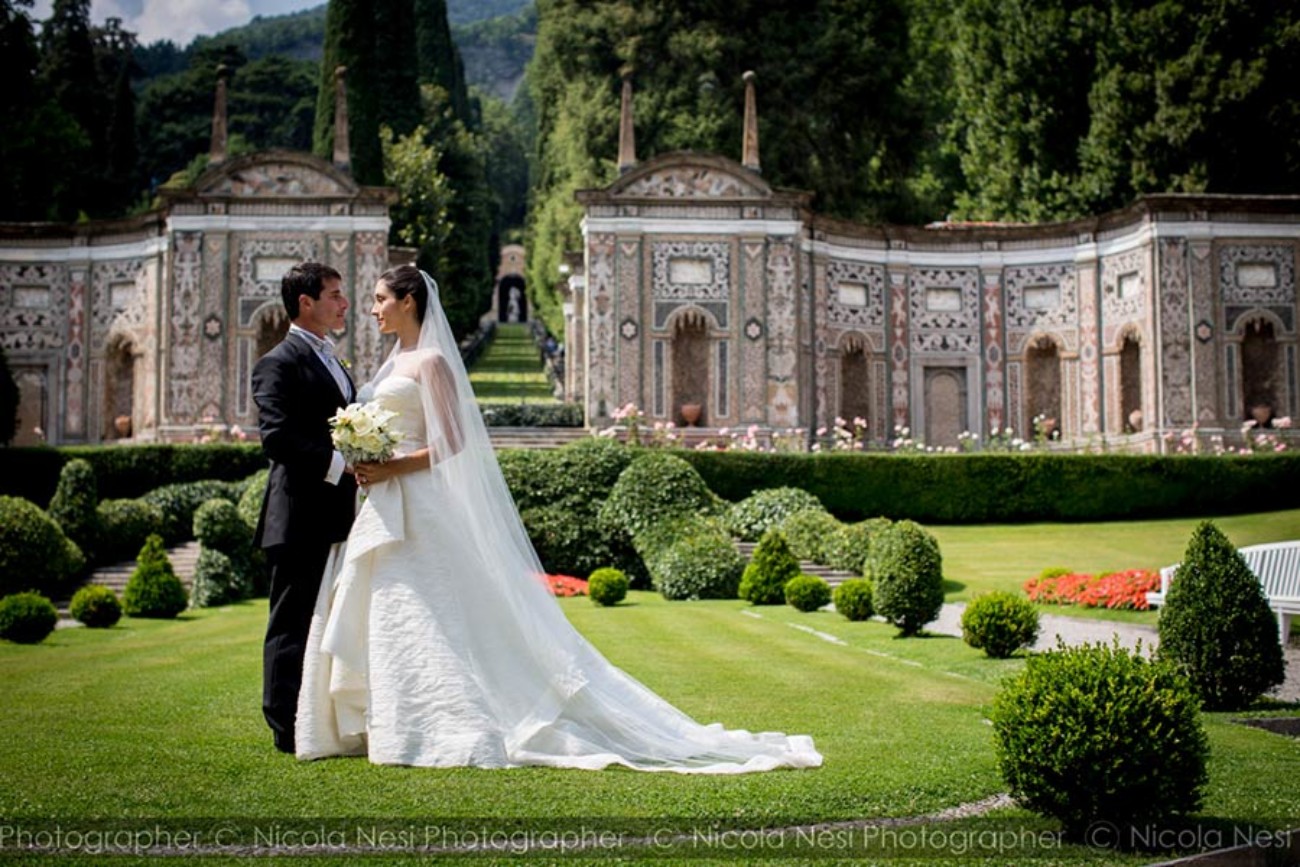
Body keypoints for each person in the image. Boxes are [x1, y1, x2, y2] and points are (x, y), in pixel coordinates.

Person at [295, 265, 822, 773]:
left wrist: (393, 466)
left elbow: (453, 441)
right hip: (383, 503)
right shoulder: (389, 363)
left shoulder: (431, 361)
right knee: (395, 608)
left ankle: (446, 724)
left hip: (420, 500)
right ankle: (394, 723)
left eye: (381, 299)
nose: (372, 309)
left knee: (434, 608)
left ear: (409, 301)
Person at [251, 262, 358, 754]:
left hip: (336, 513)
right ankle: (284, 726)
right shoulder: (278, 362)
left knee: (325, 621)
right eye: (334, 295)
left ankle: (316, 718)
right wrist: (340, 464)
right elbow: (275, 437)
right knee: (291, 624)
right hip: (296, 516)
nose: (344, 303)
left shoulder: (331, 358)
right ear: (305, 302)